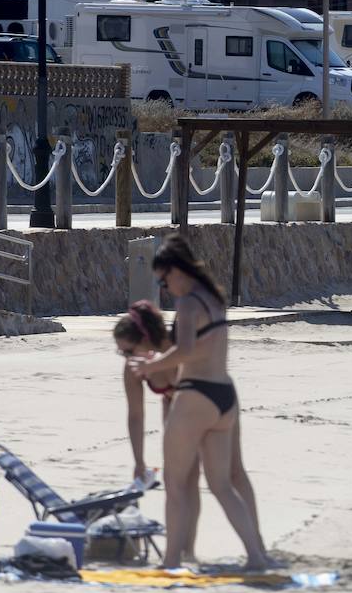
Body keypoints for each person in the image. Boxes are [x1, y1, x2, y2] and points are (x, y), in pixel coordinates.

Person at [129, 235, 269, 570]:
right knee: (222, 485)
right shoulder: (214, 298)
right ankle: (257, 556)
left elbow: (187, 351)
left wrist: (150, 366)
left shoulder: (189, 303)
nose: (166, 288)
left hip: (196, 395)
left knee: (176, 485)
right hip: (225, 397)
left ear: (177, 271)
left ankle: (172, 559)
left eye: (164, 281)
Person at [113, 300, 261, 566]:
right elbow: (135, 415)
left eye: (127, 350)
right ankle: (186, 551)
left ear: (144, 338)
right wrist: (138, 460)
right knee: (185, 479)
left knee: (233, 473)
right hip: (174, 405)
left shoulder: (175, 348)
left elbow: (198, 379)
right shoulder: (133, 369)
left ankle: (257, 545)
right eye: (121, 353)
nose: (124, 357)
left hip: (211, 398)